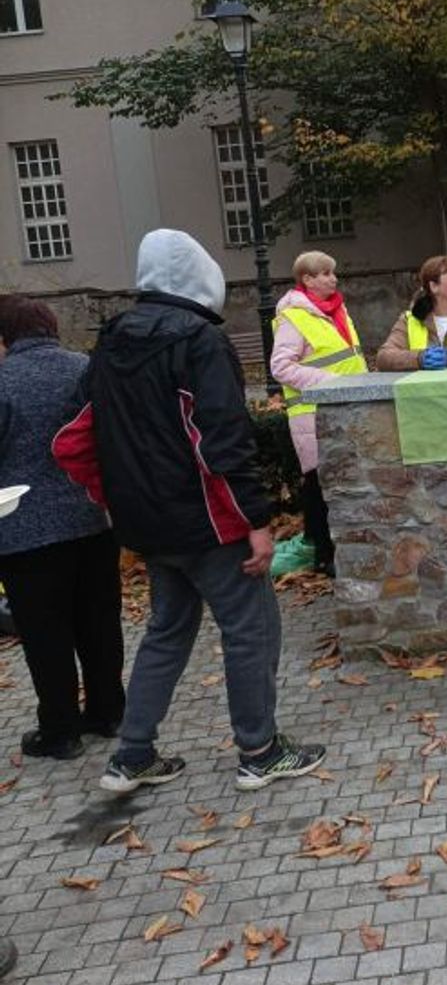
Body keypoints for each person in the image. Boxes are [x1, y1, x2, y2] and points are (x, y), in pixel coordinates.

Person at [53, 229, 325, 794]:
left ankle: (131, 756)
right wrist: (255, 521)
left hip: (148, 527)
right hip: (210, 523)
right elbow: (222, 438)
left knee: (166, 632)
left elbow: (76, 439)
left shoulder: (110, 340)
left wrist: (117, 501)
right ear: (201, 276)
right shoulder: (199, 339)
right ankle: (260, 750)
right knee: (252, 629)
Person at [0, 296, 124, 760]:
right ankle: (109, 712)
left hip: (23, 531)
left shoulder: (3, 380)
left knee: (44, 633)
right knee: (100, 622)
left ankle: (60, 729)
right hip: (93, 517)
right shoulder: (85, 367)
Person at [270, 251, 368, 576]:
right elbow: (281, 366)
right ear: (308, 280)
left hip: (348, 409)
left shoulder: (336, 310)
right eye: (325, 273)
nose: (333, 278)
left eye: (333, 272)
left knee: (338, 482)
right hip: (315, 414)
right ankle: (324, 555)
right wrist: (330, 383)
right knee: (318, 486)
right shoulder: (294, 317)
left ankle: (340, 550)